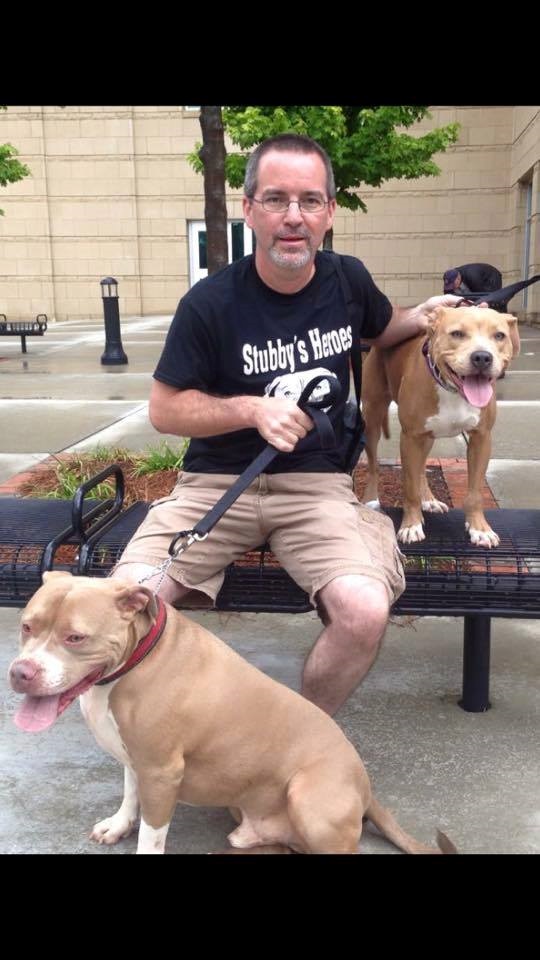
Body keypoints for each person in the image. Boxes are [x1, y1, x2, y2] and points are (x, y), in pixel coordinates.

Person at [113, 133, 459, 717]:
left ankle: (300, 739)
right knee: (128, 606)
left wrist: (429, 314)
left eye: (310, 200)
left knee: (364, 609)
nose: (293, 217)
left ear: (329, 211)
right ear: (249, 210)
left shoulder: (347, 280)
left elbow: (383, 326)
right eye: (276, 199)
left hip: (316, 489)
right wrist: (249, 409)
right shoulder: (208, 303)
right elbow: (165, 410)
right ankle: (163, 739)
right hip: (215, 487)